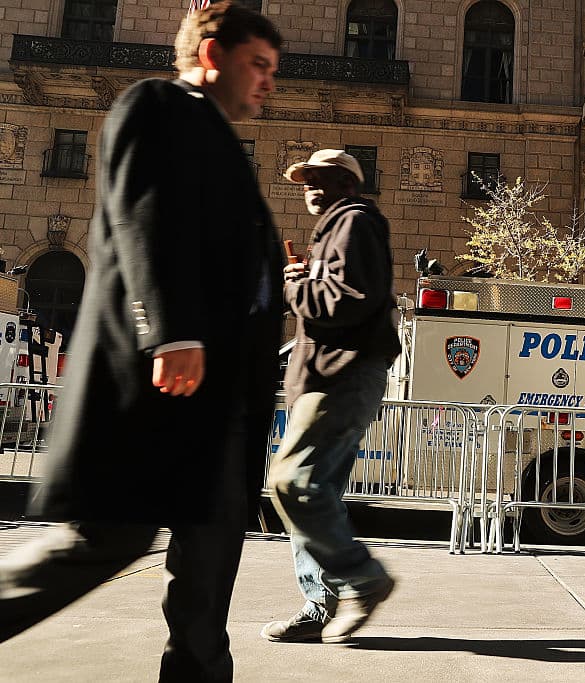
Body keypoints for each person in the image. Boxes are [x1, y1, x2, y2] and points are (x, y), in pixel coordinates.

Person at [0, 4, 284, 680]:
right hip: (158, 385)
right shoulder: (156, 105)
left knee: (209, 567)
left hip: (217, 407)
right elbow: (140, 214)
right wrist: (171, 328)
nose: (270, 81)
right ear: (212, 55)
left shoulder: (221, 142)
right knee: (107, 539)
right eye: (259, 65)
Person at [260, 149, 401, 644]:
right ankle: (320, 603)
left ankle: (362, 578)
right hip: (327, 379)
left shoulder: (354, 222)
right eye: (306, 181)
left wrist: (296, 286)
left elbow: (345, 300)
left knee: (292, 485)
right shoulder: (336, 230)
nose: (311, 187)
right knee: (313, 496)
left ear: (349, 183)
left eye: (323, 178)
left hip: (341, 377)